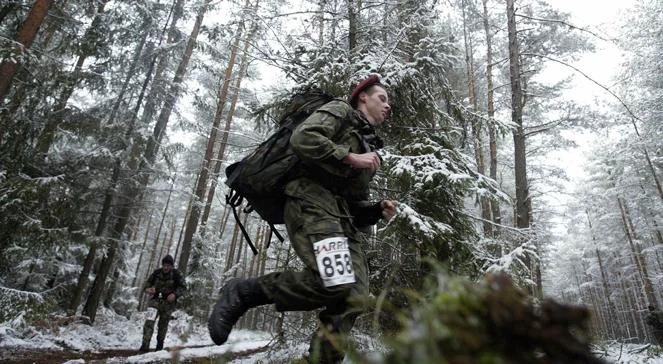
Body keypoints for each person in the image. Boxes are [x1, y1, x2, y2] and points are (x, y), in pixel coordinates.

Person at [208, 74, 397, 363]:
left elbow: (353, 202)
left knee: (355, 295)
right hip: (310, 200)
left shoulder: (369, 145)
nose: (387, 106)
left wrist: (374, 210)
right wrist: (349, 157)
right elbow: (304, 137)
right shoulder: (341, 110)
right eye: (382, 98)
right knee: (334, 281)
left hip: (340, 217)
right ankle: (245, 292)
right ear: (363, 97)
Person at [139, 254, 187, 352]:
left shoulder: (176, 274)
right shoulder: (156, 273)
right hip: (155, 301)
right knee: (149, 323)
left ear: (171, 266)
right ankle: (144, 347)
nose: (165, 267)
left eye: (168, 266)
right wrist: (148, 289)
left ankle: (159, 347)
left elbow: (183, 287)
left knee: (163, 326)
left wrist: (175, 294)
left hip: (168, 304)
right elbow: (146, 284)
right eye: (164, 265)